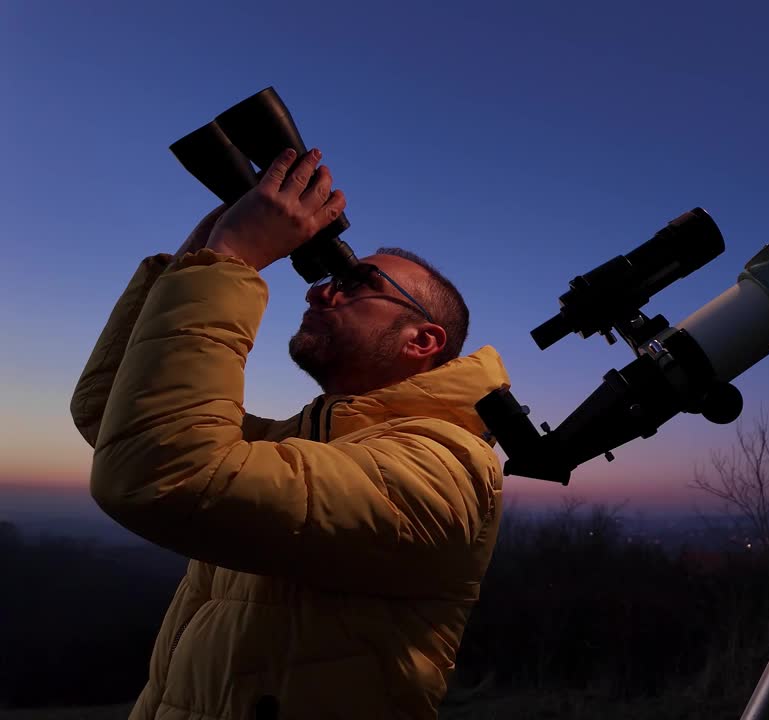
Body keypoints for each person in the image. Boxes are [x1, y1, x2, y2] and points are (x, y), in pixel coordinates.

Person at [69, 148, 510, 719]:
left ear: (422, 341)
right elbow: (112, 413)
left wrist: (233, 258)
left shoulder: (442, 469)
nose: (318, 291)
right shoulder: (301, 443)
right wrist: (199, 253)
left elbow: (161, 469)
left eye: (358, 282)